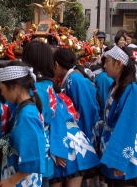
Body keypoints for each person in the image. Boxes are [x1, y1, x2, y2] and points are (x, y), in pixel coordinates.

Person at [23, 41, 99, 187]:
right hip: (68, 139)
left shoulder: (41, 86)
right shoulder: (47, 85)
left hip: (58, 143)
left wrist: (59, 148)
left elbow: (58, 117)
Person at [0, 61, 46, 187]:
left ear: (16, 87)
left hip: (22, 180)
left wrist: (12, 181)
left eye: (2, 89)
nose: (2, 94)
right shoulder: (23, 109)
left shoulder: (27, 115)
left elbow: (32, 156)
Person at [100, 46, 137, 186]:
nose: (104, 65)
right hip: (111, 145)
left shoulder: (131, 89)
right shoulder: (115, 86)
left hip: (123, 149)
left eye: (107, 61)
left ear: (119, 63)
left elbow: (127, 125)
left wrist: (118, 159)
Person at [53, 48, 100, 146]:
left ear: (57, 64)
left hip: (83, 133)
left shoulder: (74, 80)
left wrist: (86, 140)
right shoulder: (72, 78)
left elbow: (86, 110)